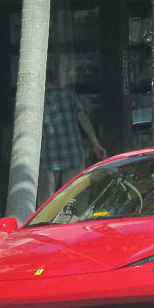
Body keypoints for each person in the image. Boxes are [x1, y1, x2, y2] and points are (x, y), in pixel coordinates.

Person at [38, 69, 107, 206]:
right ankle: (75, 222)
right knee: (76, 197)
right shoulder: (68, 94)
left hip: (48, 155)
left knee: (45, 202)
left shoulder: (37, 99)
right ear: (54, 78)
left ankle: (44, 226)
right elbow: (82, 117)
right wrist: (95, 143)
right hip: (72, 151)